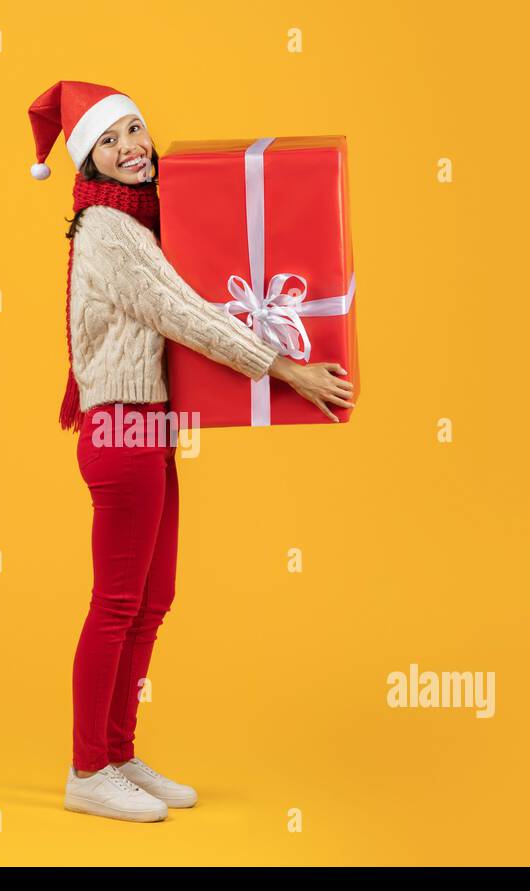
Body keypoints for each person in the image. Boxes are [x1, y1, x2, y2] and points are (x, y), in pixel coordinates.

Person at [27, 80, 354, 823]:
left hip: (150, 427)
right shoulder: (108, 232)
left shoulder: (141, 221)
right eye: (108, 141)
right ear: (88, 161)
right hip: (119, 431)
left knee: (152, 600)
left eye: (134, 129)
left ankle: (118, 753)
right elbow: (185, 314)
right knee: (116, 604)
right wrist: (289, 369)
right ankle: (87, 770)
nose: (130, 147)